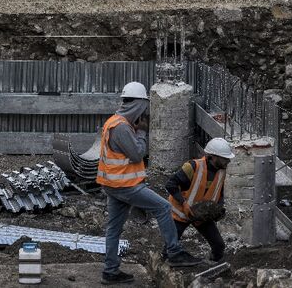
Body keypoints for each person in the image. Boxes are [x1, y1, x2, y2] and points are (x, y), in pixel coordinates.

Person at [98, 82, 201, 284]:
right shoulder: (121, 127)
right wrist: (142, 132)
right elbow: (137, 154)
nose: (146, 111)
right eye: (144, 106)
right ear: (138, 104)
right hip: (125, 186)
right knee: (163, 207)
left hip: (113, 185)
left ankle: (110, 271)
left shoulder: (115, 122)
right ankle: (174, 252)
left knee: (113, 229)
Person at [165, 138, 235, 263]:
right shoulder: (192, 167)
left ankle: (212, 267)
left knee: (219, 246)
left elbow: (219, 192)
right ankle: (163, 266)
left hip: (201, 215)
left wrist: (219, 208)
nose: (228, 161)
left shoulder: (221, 171)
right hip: (180, 213)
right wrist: (184, 203)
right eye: (225, 158)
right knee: (169, 248)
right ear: (213, 157)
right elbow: (171, 185)